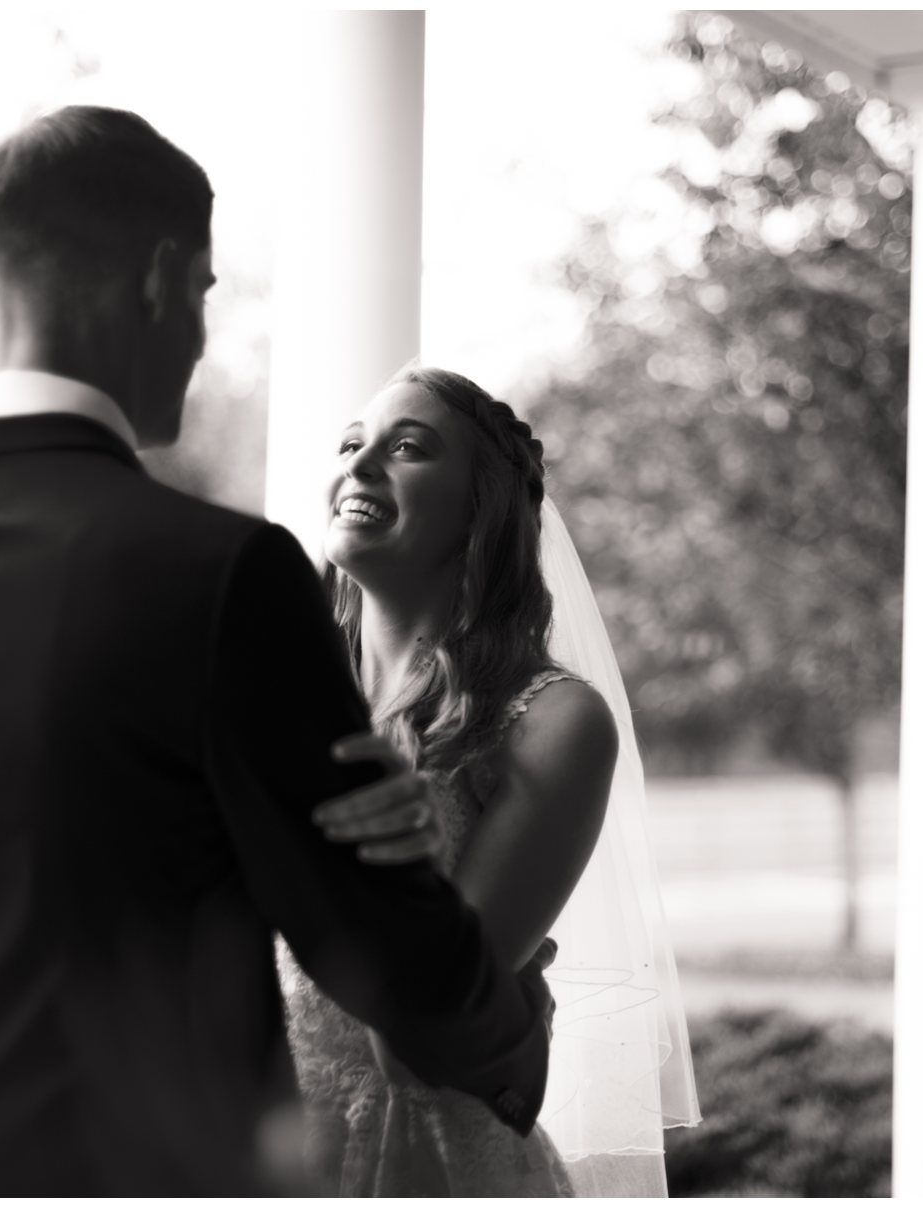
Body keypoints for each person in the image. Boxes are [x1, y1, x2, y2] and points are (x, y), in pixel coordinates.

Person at [0, 106, 551, 1196]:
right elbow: (385, 957)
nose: (197, 333)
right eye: (201, 294)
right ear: (156, 277)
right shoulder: (222, 574)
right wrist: (521, 1017)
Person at [279, 366, 700, 1196]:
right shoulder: (280, 700)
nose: (360, 466)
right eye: (350, 445)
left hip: (423, 1162)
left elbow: (417, 1035)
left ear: (481, 510)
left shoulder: (552, 724)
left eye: (407, 449)